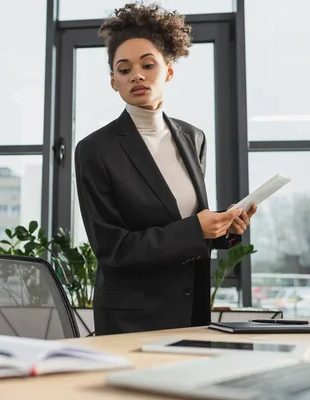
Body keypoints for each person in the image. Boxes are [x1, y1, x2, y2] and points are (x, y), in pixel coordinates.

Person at [74, 2, 257, 335]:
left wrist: (224, 230)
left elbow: (185, 225)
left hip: (192, 312)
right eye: (124, 69)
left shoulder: (193, 137)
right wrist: (197, 229)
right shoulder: (94, 150)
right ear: (114, 82)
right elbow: (113, 250)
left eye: (148, 64)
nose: (137, 76)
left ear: (169, 71)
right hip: (133, 319)